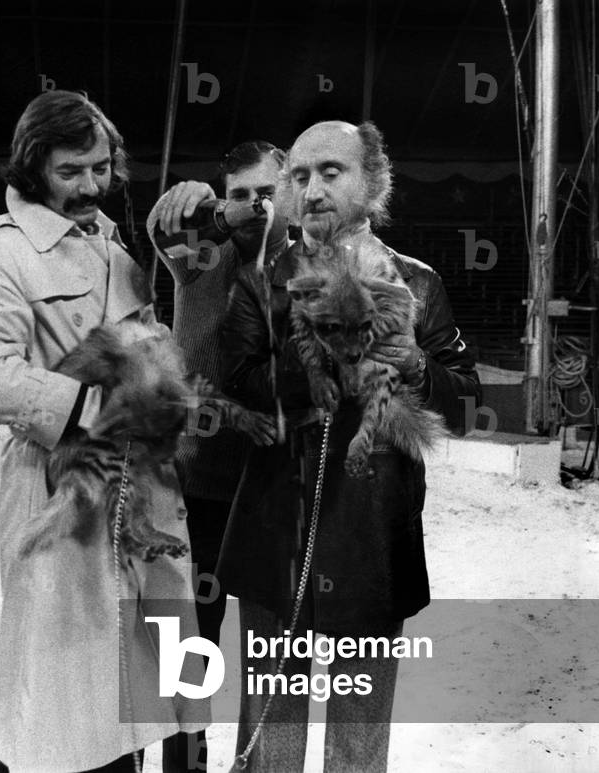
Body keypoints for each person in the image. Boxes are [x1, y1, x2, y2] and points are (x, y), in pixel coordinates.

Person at [0, 90, 208, 773]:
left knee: (139, 699)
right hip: (60, 496)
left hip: (144, 495)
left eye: (101, 166)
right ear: (33, 168)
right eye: (72, 171)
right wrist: (97, 408)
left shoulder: (109, 243)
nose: (92, 184)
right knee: (61, 716)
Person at [217, 121, 480, 771]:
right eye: (298, 176)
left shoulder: (418, 284)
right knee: (270, 734)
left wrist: (410, 362)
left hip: (370, 537)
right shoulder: (258, 280)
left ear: (373, 183)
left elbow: (463, 405)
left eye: (331, 172)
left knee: (358, 741)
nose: (311, 190)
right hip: (277, 532)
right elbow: (237, 389)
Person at [146, 141, 290, 772]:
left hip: (269, 487)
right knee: (189, 649)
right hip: (198, 484)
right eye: (241, 194)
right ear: (222, 198)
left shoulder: (299, 260)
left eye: (269, 192)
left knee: (270, 655)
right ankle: (186, 765)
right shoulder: (202, 258)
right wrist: (188, 204)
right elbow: (159, 227)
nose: (256, 206)